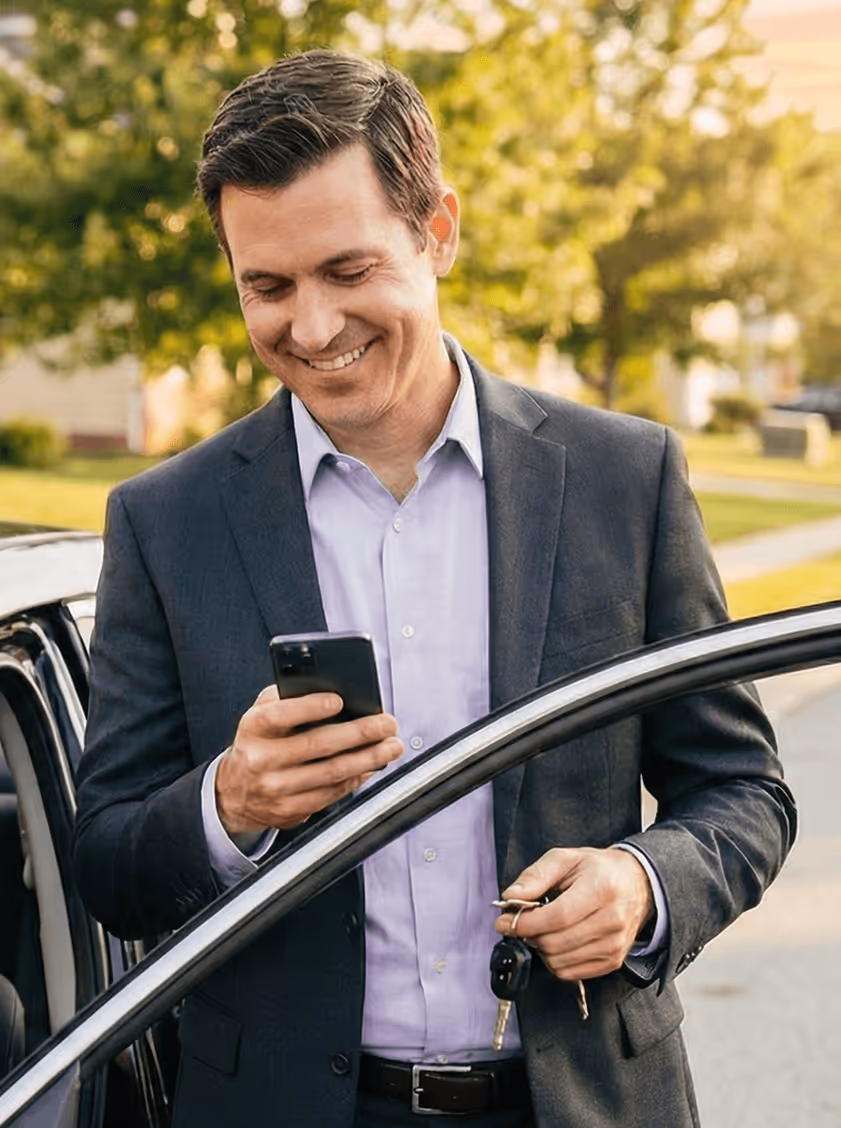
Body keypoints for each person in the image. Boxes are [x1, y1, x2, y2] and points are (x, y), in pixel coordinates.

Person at [74, 49, 795, 1128]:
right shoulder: (162, 521)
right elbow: (105, 862)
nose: (311, 330)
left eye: (347, 271)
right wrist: (228, 807)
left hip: (581, 1101)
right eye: (266, 287)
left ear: (438, 231)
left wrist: (646, 884)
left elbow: (744, 792)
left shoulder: (622, 477)